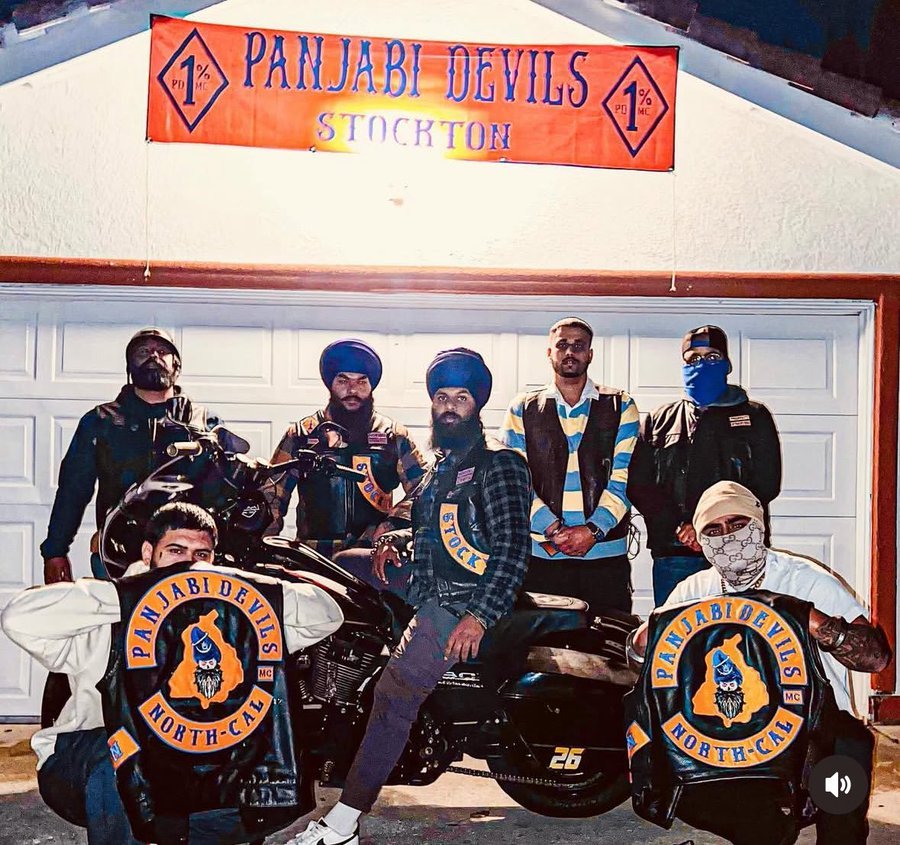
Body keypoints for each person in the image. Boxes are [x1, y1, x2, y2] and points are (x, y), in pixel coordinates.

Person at [288, 348, 532, 845]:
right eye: (441, 397)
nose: (449, 407)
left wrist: (478, 617)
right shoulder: (443, 465)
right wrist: (394, 542)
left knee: (395, 694)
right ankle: (335, 671)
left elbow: (511, 549)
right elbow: (433, 529)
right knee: (339, 565)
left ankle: (343, 822)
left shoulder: (499, 464)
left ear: (477, 405)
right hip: (429, 579)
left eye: (461, 398)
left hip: (460, 599)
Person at [2, 502, 343, 845]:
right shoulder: (108, 614)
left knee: (243, 759)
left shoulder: (233, 614)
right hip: (92, 766)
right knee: (121, 750)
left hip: (194, 770)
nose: (188, 564)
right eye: (176, 552)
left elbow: (328, 614)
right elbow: (18, 618)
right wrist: (137, 595)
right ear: (148, 553)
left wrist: (241, 588)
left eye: (201, 555)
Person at [627, 481, 891, 845]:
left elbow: (875, 660)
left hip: (817, 728)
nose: (728, 536)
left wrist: (816, 623)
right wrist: (645, 639)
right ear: (700, 541)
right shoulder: (692, 591)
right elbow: (641, 665)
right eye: (713, 530)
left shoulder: (805, 580)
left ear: (759, 524)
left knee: (845, 771)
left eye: (738, 524)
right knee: (758, 826)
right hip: (731, 735)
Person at [40, 327, 216, 583]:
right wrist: (55, 551)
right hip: (116, 553)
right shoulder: (100, 421)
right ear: (129, 366)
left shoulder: (204, 423)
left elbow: (226, 494)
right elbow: (73, 490)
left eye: (162, 351)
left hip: (186, 557)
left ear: (176, 366)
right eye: (143, 352)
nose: (153, 356)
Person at [628, 324, 782, 605]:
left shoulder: (755, 417)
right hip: (676, 553)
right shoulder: (659, 420)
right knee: (677, 629)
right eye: (693, 358)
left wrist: (710, 527)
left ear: (727, 364)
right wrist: (680, 527)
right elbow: (640, 485)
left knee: (740, 628)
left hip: (738, 549)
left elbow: (766, 483)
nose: (702, 364)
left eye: (712, 357)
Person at [499, 317, 639, 613]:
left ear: (590, 354)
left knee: (608, 641)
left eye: (579, 345)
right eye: (562, 345)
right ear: (549, 352)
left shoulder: (621, 404)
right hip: (541, 558)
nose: (570, 352)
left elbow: (625, 476)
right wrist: (552, 528)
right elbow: (515, 481)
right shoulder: (522, 407)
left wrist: (594, 530)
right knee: (543, 643)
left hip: (605, 558)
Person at [266, 338, 429, 558]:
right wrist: (265, 547)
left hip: (371, 558)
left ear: (371, 386)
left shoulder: (394, 436)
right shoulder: (301, 435)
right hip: (312, 557)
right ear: (330, 384)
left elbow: (425, 490)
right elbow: (272, 495)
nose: (352, 390)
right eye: (343, 380)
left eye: (361, 381)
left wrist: (393, 523)